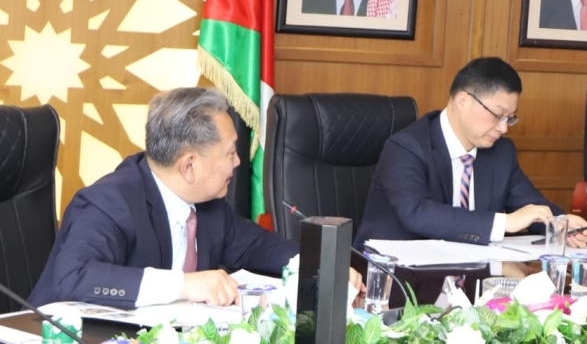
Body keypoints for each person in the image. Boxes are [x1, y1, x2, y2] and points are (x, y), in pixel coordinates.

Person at [30, 87, 363, 309]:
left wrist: (320, 265)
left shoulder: (209, 206)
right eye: (230, 153)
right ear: (189, 165)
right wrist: (184, 285)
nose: (238, 162)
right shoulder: (109, 202)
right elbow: (74, 278)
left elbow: (258, 246)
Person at [354, 57, 587, 248]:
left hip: (467, 277)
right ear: (462, 100)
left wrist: (560, 225)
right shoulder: (406, 147)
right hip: (392, 278)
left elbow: (531, 206)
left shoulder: (501, 152)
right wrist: (505, 222)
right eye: (497, 115)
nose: (503, 128)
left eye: (510, 118)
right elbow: (417, 213)